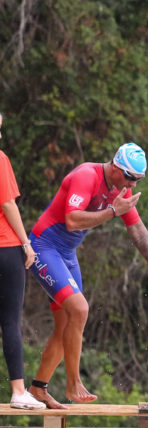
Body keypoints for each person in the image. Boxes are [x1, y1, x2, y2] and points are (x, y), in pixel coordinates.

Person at [26, 142, 148, 408]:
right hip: (43, 246)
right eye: (132, 178)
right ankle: (73, 383)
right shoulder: (87, 176)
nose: (134, 186)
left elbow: (137, 228)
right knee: (80, 310)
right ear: (116, 167)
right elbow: (72, 220)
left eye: (139, 180)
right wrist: (113, 211)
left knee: (65, 326)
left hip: (67, 254)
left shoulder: (120, 188)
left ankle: (38, 388)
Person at [0, 112, 45, 410]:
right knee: (9, 320)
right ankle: (18, 391)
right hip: (5, 247)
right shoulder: (0, 159)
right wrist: (27, 244)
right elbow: (7, 203)